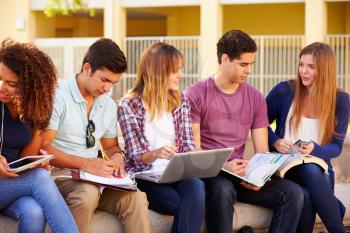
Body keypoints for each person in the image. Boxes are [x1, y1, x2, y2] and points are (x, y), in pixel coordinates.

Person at [185, 30, 304, 233]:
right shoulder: (195, 94)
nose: (249, 70)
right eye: (243, 64)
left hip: (241, 175)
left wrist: (259, 176)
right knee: (223, 189)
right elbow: (194, 152)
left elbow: (261, 151)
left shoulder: (255, 97)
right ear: (225, 59)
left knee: (293, 193)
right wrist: (225, 166)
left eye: (251, 64)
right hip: (211, 174)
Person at [41, 38, 150, 233]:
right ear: (86, 69)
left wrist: (117, 158)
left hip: (96, 177)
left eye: (113, 83)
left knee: (137, 198)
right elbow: (44, 149)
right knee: (86, 194)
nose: (108, 88)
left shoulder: (107, 105)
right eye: (104, 80)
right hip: (61, 175)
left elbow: (110, 147)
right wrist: (87, 163)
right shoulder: (57, 96)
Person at [117, 42, 205, 233]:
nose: (180, 75)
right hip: (145, 177)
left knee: (196, 186)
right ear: (158, 71)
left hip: (175, 174)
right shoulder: (129, 105)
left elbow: (188, 146)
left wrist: (192, 159)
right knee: (183, 204)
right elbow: (134, 155)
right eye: (175, 71)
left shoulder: (180, 101)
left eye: (180, 69)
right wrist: (157, 153)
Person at [266, 42, 349, 233]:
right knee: (310, 172)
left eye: (311, 67)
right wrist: (276, 141)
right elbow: (260, 124)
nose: (304, 71)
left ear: (325, 69)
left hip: (320, 173)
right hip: (284, 166)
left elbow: (336, 147)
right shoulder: (284, 91)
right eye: (301, 64)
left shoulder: (341, 101)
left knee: (308, 187)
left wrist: (315, 149)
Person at [0, 39, 78, 233]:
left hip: (8, 184)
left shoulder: (33, 110)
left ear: (29, 87)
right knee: (40, 178)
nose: (1, 86)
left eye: (11, 84)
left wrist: (34, 161)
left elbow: (24, 158)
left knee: (34, 212)